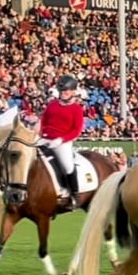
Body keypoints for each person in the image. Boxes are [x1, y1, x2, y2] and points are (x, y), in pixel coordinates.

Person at [39, 74, 85, 208]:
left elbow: (76, 130)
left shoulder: (76, 109)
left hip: (61, 142)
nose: (63, 93)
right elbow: (44, 120)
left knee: (67, 166)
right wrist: (41, 134)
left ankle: (74, 194)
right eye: (62, 90)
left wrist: (61, 140)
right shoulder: (52, 104)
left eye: (66, 90)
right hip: (45, 138)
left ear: (73, 91)